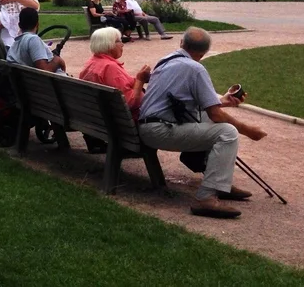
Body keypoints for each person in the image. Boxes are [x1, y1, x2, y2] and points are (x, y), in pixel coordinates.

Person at [136, 27, 267, 219]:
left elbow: (194, 105)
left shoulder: (166, 61)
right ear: (203, 53)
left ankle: (218, 181)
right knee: (227, 132)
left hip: (149, 126)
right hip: (160, 130)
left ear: (182, 43)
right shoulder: (195, 68)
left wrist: (223, 100)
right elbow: (216, 115)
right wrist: (249, 131)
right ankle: (206, 197)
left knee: (209, 121)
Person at [78, 27, 150, 120]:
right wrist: (140, 80)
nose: (122, 44)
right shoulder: (110, 67)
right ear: (109, 44)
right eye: (119, 41)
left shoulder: (92, 63)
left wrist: (139, 78)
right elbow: (129, 103)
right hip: (122, 122)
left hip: (99, 118)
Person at [6, 7, 65, 73]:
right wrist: (57, 60)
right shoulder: (33, 39)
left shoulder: (15, 45)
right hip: (52, 82)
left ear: (19, 25)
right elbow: (44, 71)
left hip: (28, 81)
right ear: (37, 24)